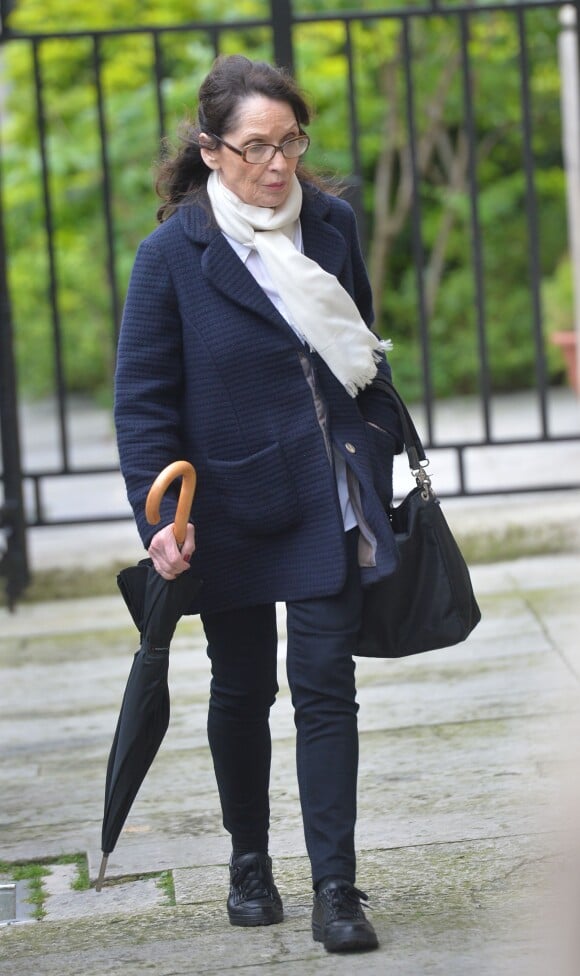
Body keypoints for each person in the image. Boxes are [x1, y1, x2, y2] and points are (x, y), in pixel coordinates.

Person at [114, 54, 403, 954]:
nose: (277, 164)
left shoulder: (332, 224)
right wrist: (160, 526)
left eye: (290, 143)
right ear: (210, 151)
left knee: (327, 690)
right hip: (227, 506)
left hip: (326, 496)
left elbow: (356, 342)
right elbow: (144, 403)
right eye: (255, 147)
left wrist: (377, 450)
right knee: (241, 689)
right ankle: (249, 862)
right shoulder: (171, 255)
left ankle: (336, 889)